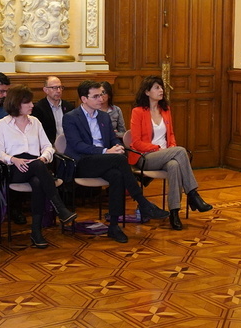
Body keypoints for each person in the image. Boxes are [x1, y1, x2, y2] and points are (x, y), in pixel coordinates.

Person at [61, 81, 170, 243]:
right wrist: (106, 151)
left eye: (102, 95)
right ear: (84, 99)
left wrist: (117, 147)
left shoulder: (104, 116)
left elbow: (113, 140)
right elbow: (77, 145)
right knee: (118, 160)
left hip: (106, 161)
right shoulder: (71, 117)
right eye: (96, 96)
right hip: (82, 164)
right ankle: (143, 202)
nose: (101, 99)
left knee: (117, 175)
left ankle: (113, 226)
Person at [0, 85, 76, 249]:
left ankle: (36, 232)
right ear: (17, 104)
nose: (32, 105)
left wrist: (44, 157)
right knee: (37, 168)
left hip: (35, 164)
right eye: (27, 103)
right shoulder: (3, 124)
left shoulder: (35, 122)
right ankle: (60, 207)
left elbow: (47, 146)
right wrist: (13, 159)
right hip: (14, 168)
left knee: (38, 181)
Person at [129, 76, 212, 230]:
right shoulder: (138, 112)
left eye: (161, 87)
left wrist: (170, 148)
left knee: (174, 165)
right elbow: (136, 142)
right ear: (147, 92)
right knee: (180, 151)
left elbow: (171, 135)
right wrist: (158, 149)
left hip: (167, 155)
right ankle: (193, 195)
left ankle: (174, 213)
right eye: (157, 88)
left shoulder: (165, 110)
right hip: (145, 156)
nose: (161, 90)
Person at [31, 75, 73, 144]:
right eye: (54, 88)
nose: (59, 91)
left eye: (60, 87)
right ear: (45, 90)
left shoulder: (68, 106)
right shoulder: (39, 108)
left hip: (69, 145)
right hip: (49, 146)